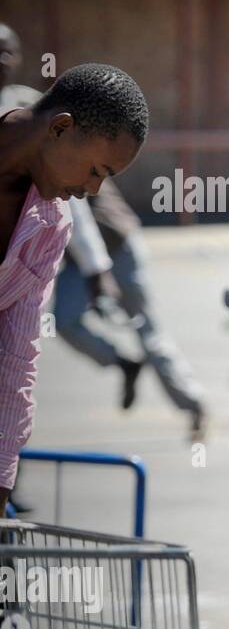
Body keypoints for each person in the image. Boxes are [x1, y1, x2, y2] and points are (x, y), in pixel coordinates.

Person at [0, 63, 148, 512]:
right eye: (95, 171)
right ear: (61, 128)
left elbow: (18, 356)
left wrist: (4, 476)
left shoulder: (50, 224)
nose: (91, 189)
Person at [55, 177, 208, 436]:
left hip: (117, 245)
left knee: (149, 334)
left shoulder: (67, 145)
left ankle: (193, 403)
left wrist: (98, 272)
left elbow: (78, 213)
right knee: (63, 320)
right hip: (77, 261)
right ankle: (123, 363)